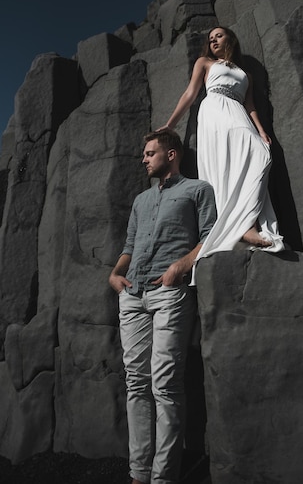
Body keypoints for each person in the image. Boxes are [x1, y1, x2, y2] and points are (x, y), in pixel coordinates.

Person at [109, 128, 217, 484]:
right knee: (137, 384)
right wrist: (115, 275)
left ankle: (163, 477)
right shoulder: (141, 201)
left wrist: (178, 268)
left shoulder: (198, 191)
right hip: (133, 296)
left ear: (171, 155)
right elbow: (129, 245)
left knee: (165, 385)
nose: (144, 159)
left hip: (170, 294)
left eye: (149, 153)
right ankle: (139, 474)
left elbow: (210, 238)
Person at [158, 26, 284, 262]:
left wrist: (262, 130)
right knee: (225, 168)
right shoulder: (205, 63)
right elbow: (190, 94)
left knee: (259, 154)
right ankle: (246, 228)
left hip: (238, 112)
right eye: (211, 38)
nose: (214, 40)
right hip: (215, 110)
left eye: (219, 36)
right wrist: (170, 124)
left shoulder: (246, 74)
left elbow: (250, 105)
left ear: (230, 39)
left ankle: (246, 224)